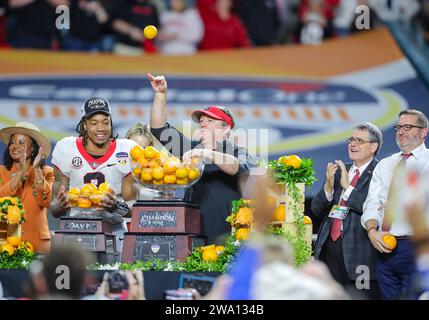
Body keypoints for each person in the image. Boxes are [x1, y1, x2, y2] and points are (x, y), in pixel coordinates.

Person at [148, 73, 254, 244]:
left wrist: (206, 153)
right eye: (201, 121)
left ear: (226, 128)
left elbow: (238, 167)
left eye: (210, 121)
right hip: (191, 233)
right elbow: (159, 129)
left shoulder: (237, 151)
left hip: (225, 236)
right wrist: (160, 95)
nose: (203, 124)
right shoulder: (190, 148)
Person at [50, 97, 139, 255]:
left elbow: (134, 209)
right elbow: (55, 210)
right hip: (76, 233)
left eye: (106, 122)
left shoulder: (126, 151)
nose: (101, 128)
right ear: (84, 125)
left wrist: (115, 207)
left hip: (114, 231)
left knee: (115, 278)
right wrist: (62, 205)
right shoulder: (66, 149)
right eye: (94, 123)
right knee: (78, 278)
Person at [362, 109, 429, 299]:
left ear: (423, 132)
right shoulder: (384, 164)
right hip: (383, 248)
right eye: (399, 127)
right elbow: (371, 203)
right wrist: (372, 231)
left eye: (408, 127)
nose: (401, 131)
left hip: (417, 247)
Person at [311, 122, 382, 299]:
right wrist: (328, 186)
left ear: (373, 146)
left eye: (359, 140)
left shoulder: (380, 171)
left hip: (360, 253)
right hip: (330, 250)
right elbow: (316, 210)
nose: (352, 144)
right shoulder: (342, 170)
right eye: (351, 139)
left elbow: (370, 207)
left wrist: (347, 187)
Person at [0, 122, 54, 254]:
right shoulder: (1, 172)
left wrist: (36, 169)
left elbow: (45, 201)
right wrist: (19, 173)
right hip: (6, 246)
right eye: (12, 142)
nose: (15, 146)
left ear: (33, 149)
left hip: (38, 246)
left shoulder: (47, 172)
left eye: (21, 142)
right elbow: (1, 199)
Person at [124, 122, 161, 200]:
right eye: (133, 148)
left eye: (143, 149)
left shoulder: (158, 176)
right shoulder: (116, 169)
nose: (138, 154)